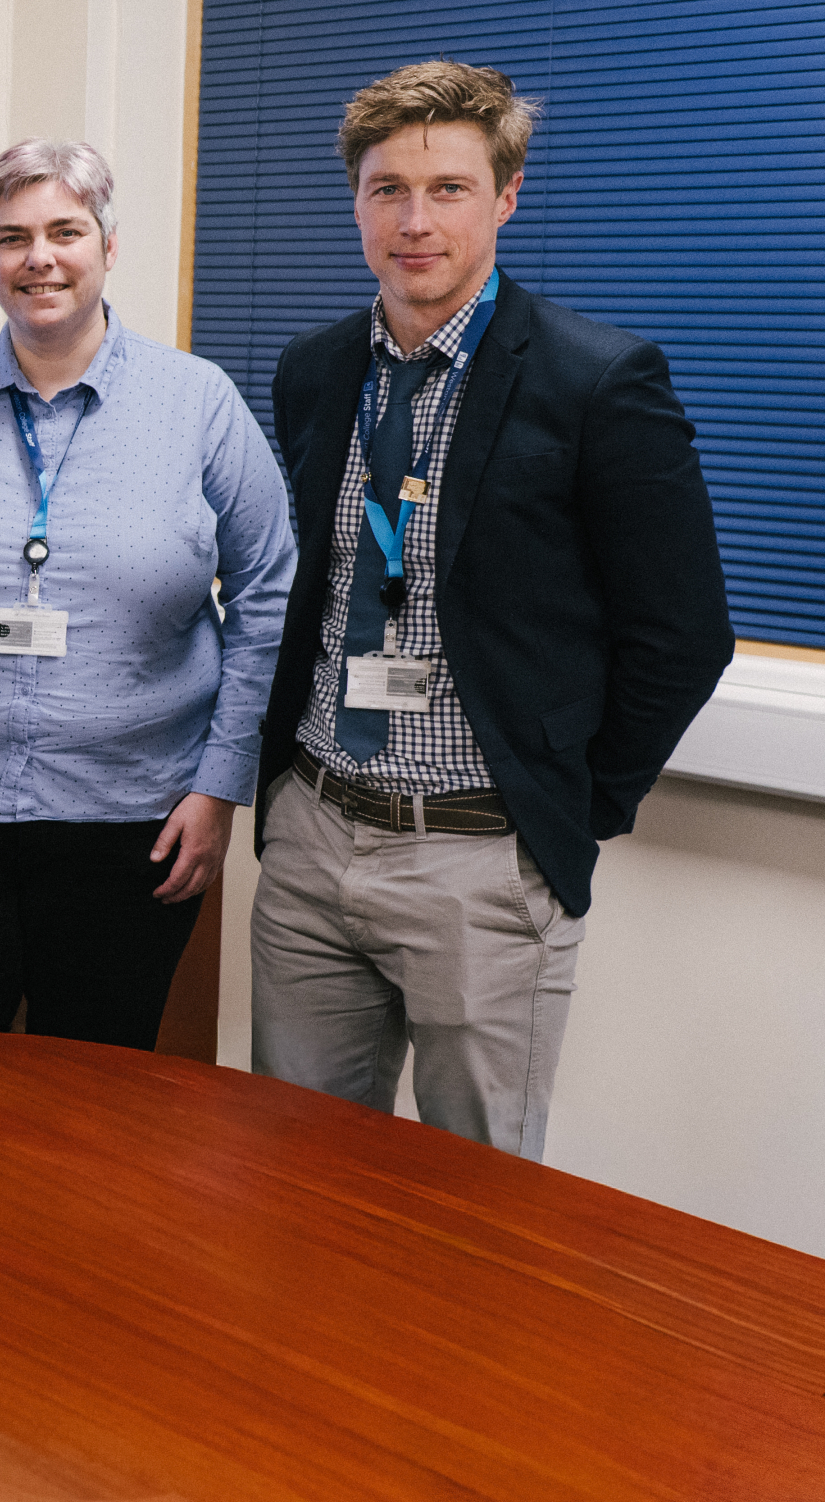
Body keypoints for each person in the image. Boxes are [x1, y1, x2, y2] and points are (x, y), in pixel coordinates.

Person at [250, 61, 731, 1160]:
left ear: (505, 196)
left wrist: (563, 807)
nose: (414, 221)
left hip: (476, 856)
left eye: (449, 189)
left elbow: (682, 632)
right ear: (357, 202)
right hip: (316, 838)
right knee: (296, 1178)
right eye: (387, 190)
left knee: (477, 1213)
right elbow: (324, 587)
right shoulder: (314, 370)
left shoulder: (596, 380)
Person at [0, 140, 295, 1050]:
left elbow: (267, 596)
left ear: (108, 247)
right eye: (12, 237)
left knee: (93, 1106)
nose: (38, 256)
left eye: (64, 231)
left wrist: (220, 787)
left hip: (134, 829)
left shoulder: (199, 404)